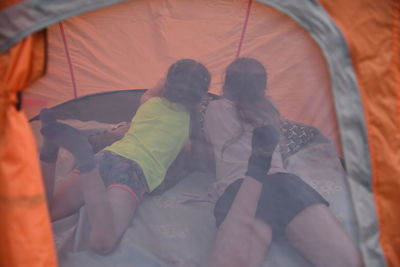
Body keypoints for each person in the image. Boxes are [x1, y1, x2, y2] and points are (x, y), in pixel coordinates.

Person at [39, 59, 211, 254]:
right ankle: (88, 168)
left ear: (168, 84)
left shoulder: (149, 103)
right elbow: (194, 153)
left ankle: (49, 153)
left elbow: (153, 89)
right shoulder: (189, 125)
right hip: (134, 171)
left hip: (107, 156)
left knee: (47, 213)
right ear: (199, 98)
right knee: (104, 242)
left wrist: (165, 83)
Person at [204, 58, 363, 267]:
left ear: (226, 85)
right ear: (263, 88)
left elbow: (202, 151)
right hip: (284, 184)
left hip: (241, 188)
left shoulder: (213, 110)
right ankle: (260, 166)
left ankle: (256, 171)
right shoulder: (270, 108)